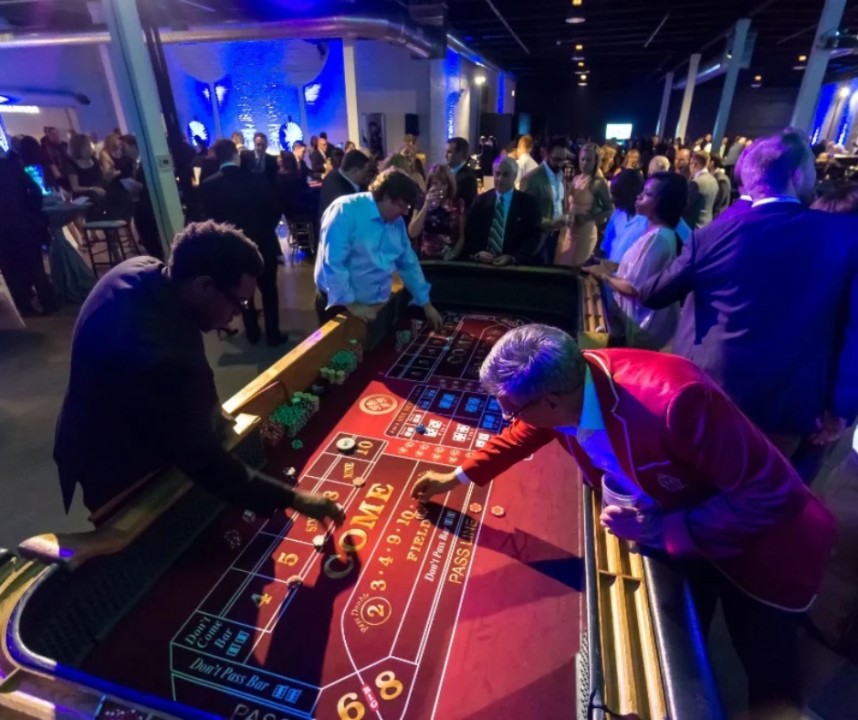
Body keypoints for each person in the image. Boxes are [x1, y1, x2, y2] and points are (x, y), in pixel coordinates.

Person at [412, 324, 836, 720]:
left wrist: (662, 530)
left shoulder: (675, 401)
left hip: (766, 552)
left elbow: (774, 495)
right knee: (691, 656)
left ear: (551, 402)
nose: (510, 418)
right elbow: (527, 432)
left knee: (769, 675)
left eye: (512, 409)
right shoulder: (575, 384)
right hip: (688, 535)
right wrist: (456, 477)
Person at [54, 221, 344, 527]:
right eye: (239, 303)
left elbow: (190, 363)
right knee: (153, 534)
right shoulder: (163, 358)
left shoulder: (143, 270)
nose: (239, 314)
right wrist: (292, 498)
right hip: (115, 462)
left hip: (111, 420)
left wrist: (212, 407)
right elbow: (203, 460)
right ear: (204, 286)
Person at [638, 129, 858, 479]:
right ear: (797, 175)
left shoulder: (713, 235)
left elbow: (655, 294)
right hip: (785, 410)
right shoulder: (844, 235)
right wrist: (842, 406)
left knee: (696, 486)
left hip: (709, 399)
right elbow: (853, 329)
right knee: (762, 497)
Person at [314, 168, 444, 330]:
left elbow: (408, 263)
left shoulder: (396, 222)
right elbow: (333, 263)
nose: (405, 212)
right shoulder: (344, 210)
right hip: (340, 305)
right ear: (387, 197)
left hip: (374, 306)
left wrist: (426, 304)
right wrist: (353, 305)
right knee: (339, 348)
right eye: (402, 205)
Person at [583, 172, 684, 350]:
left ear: (662, 203)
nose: (639, 196)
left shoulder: (658, 238)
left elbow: (633, 288)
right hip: (635, 321)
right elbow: (639, 269)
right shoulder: (654, 231)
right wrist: (608, 264)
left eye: (647, 194)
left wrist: (604, 275)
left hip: (643, 326)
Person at [201, 139, 286, 346]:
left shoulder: (209, 185)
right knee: (269, 290)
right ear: (235, 154)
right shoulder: (257, 179)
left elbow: (209, 221)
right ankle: (273, 334)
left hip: (231, 249)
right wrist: (265, 229)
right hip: (263, 243)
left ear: (218, 157)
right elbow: (275, 209)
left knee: (243, 293)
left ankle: (252, 333)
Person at [0, 151, 56, 315]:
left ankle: (24, 306)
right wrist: (32, 211)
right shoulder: (11, 166)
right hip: (24, 223)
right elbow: (35, 191)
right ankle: (48, 303)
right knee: (35, 265)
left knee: (11, 268)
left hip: (3, 229)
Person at [463, 156, 540, 266]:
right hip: (483, 265)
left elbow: (533, 237)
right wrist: (478, 253)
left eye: (506, 175)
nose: (500, 179)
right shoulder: (480, 201)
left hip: (513, 267)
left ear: (515, 176)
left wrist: (513, 258)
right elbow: (470, 232)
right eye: (497, 173)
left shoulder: (528, 203)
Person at [556, 142, 613, 266]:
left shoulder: (599, 182)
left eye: (589, 160)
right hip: (570, 231)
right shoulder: (576, 178)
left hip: (585, 234)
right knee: (563, 265)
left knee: (576, 269)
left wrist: (588, 218)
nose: (584, 163)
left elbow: (610, 209)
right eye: (582, 159)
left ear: (596, 161)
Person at [521, 136, 569, 265]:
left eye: (563, 159)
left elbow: (560, 203)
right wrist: (552, 223)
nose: (560, 164)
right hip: (538, 239)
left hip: (557, 237)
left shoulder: (561, 175)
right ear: (545, 153)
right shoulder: (531, 178)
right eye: (556, 159)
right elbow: (526, 216)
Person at [408, 164, 466, 260]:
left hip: (449, 258)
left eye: (443, 183)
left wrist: (452, 255)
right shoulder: (422, 200)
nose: (439, 187)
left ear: (449, 185)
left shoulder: (457, 204)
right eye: (435, 183)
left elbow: (462, 238)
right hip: (425, 258)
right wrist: (426, 205)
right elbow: (412, 233)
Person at [600, 169, 645, 263]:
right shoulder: (618, 213)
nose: (612, 200)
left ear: (631, 192)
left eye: (616, 194)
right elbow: (605, 245)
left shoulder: (647, 221)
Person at [318, 148, 372, 220]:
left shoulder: (334, 175)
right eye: (366, 171)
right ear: (356, 171)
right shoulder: (342, 192)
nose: (367, 175)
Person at [683, 151, 719, 229]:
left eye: (690, 163)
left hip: (692, 227)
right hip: (707, 226)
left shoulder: (696, 183)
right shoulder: (714, 180)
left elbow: (685, 206)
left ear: (694, 164)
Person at [445, 137, 478, 210]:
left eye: (449, 152)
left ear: (460, 154)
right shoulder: (445, 173)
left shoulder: (469, 178)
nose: (445, 156)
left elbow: (467, 208)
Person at [709, 154, 732, 218]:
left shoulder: (721, 180)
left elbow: (720, 202)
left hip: (717, 216)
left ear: (711, 163)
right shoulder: (713, 177)